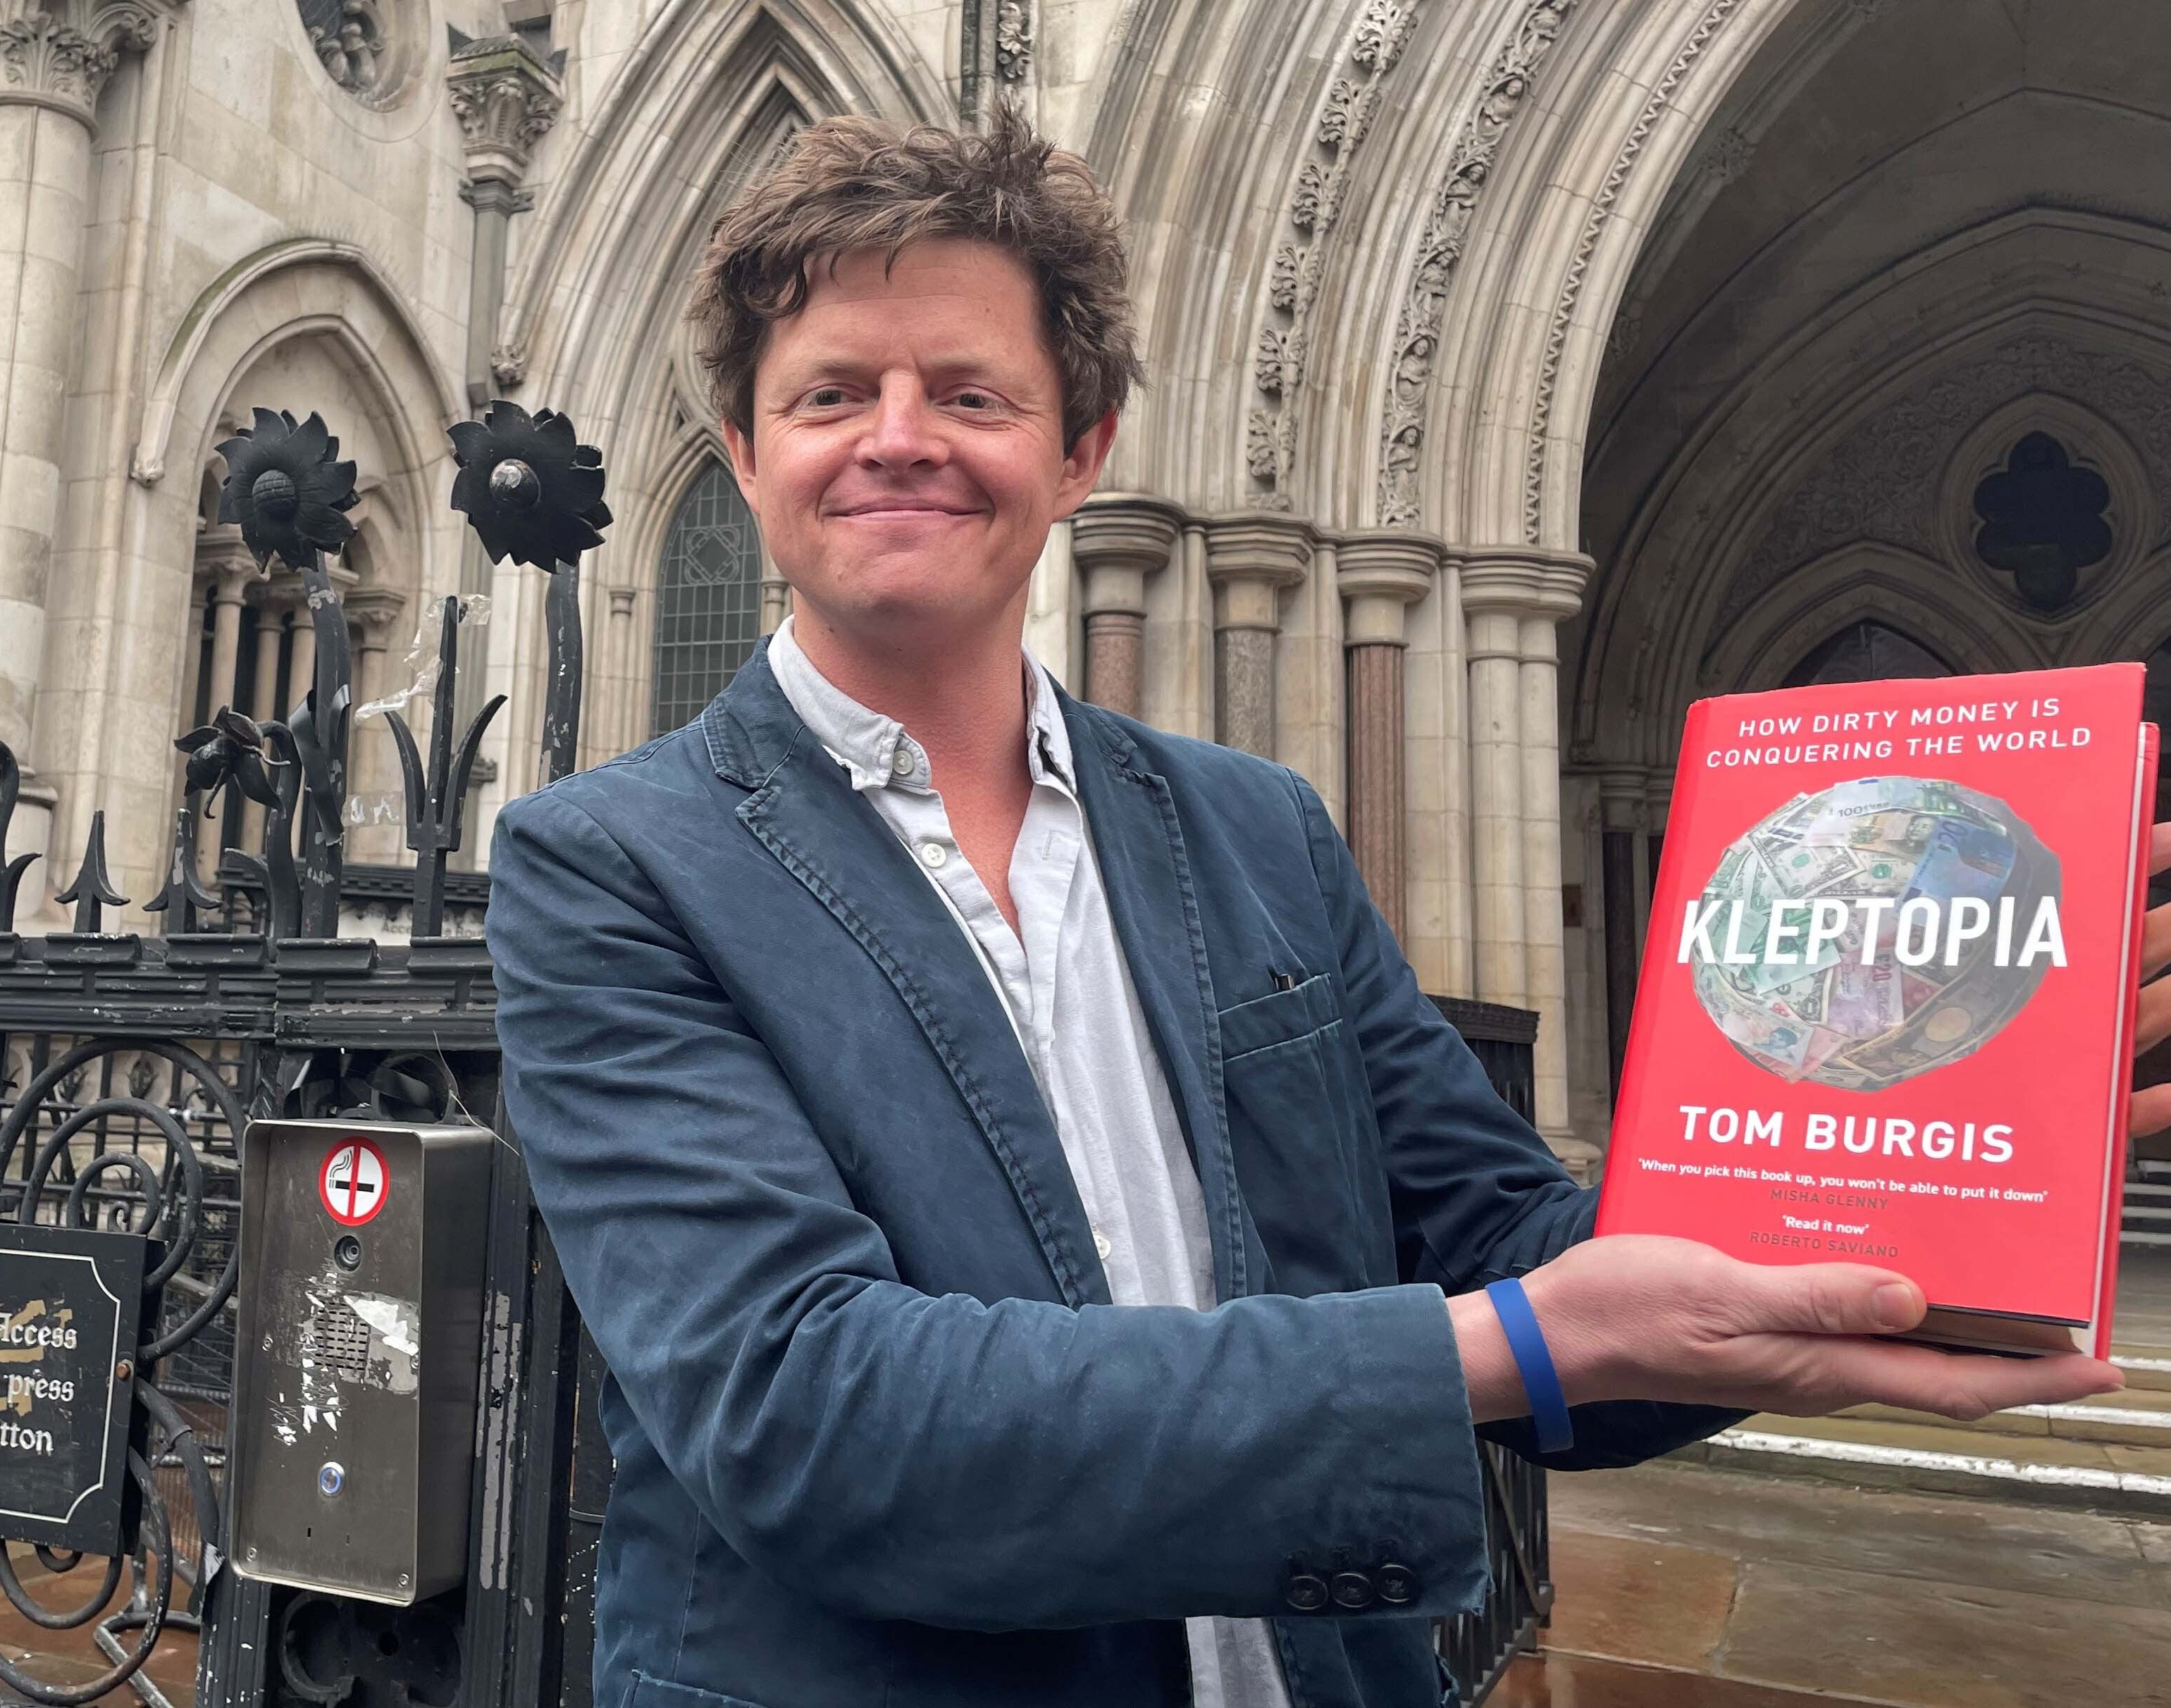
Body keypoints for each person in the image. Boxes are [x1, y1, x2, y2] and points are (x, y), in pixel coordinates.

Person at [486, 108, 2139, 1708]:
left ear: (1080, 454)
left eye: (971, 391)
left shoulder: (1252, 825)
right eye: (833, 391)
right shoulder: (614, 865)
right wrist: (1498, 1351)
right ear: (747, 457)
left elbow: (1499, 1235)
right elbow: (810, 1417)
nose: (898, 434)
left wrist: (1910, 1155)